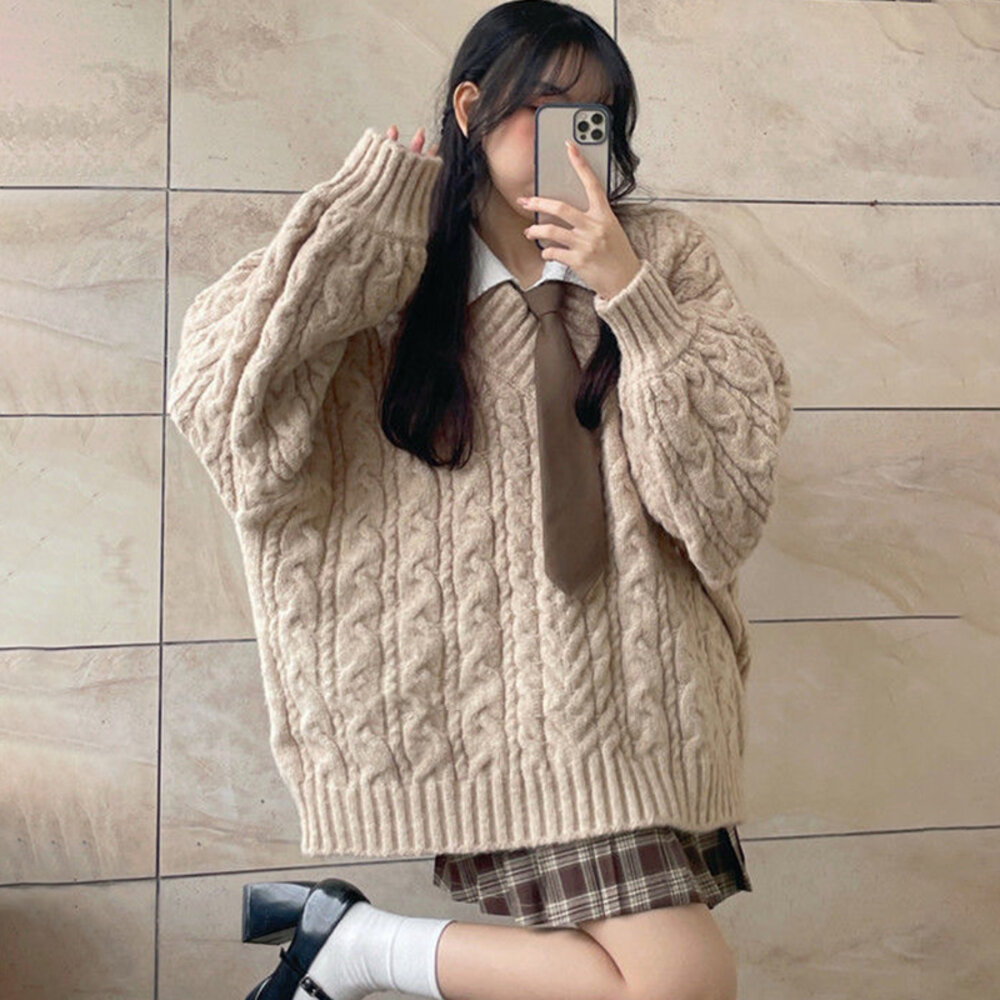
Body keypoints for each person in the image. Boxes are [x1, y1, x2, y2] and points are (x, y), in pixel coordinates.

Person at [168, 3, 793, 1000]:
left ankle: (351, 945)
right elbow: (228, 409)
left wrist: (629, 291)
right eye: (546, 104)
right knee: (678, 982)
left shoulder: (663, 257)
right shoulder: (392, 265)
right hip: (499, 709)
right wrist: (358, 223)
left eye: (597, 113)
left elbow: (727, 502)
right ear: (471, 108)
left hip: (646, 699)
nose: (573, 135)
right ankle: (356, 947)